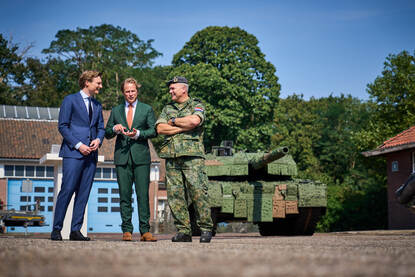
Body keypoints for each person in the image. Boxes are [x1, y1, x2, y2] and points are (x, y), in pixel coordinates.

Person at [155, 76, 213, 243]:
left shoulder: (197, 105)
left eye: (173, 88)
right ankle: (183, 231)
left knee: (198, 192)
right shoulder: (167, 108)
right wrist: (181, 128)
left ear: (183, 89)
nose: (170, 91)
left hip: (192, 157)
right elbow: (160, 128)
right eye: (170, 88)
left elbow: (195, 121)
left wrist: (173, 122)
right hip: (172, 156)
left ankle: (206, 229)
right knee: (175, 196)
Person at [51, 70, 105, 241]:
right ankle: (56, 229)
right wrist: (79, 145)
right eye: (98, 83)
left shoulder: (97, 105)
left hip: (91, 156)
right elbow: (63, 126)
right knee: (67, 190)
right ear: (87, 82)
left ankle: (75, 230)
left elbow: (101, 128)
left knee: (84, 193)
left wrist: (98, 139)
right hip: (73, 153)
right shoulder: (70, 100)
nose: (100, 86)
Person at [105, 78, 157, 242]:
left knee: (143, 195)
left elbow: (154, 131)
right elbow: (107, 132)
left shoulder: (146, 109)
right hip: (122, 157)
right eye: (127, 91)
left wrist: (138, 134)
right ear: (123, 93)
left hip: (141, 157)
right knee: (124, 195)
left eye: (133, 91)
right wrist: (114, 128)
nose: (130, 94)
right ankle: (126, 230)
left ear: (137, 91)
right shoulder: (116, 110)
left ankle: (145, 231)